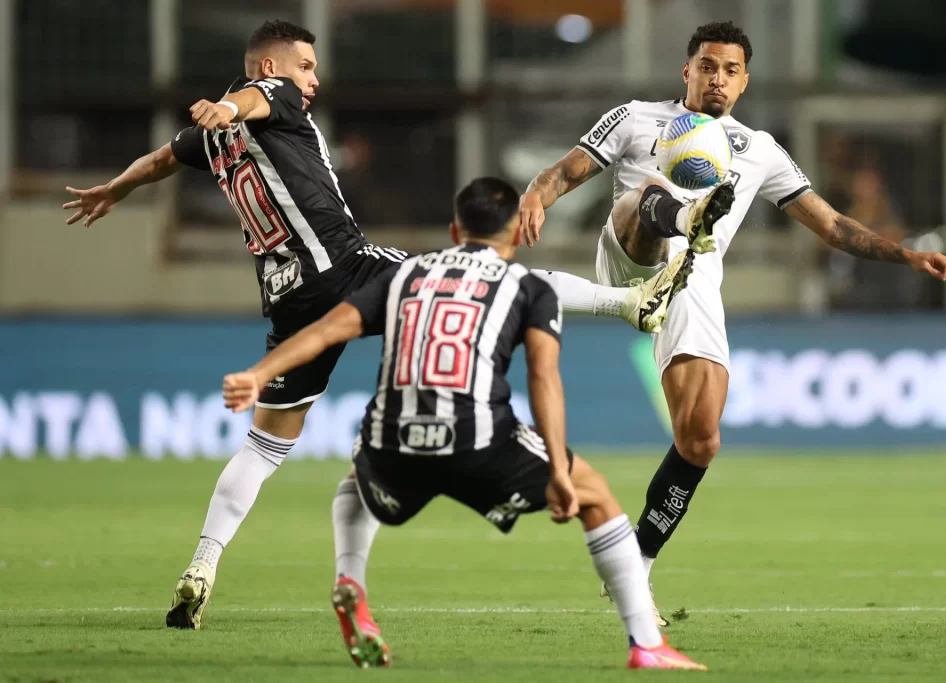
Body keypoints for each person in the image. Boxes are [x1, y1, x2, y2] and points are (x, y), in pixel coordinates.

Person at [60, 20, 697, 630]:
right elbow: (256, 99)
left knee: (265, 446)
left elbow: (161, 159)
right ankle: (632, 303)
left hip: (289, 297)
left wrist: (115, 189)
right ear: (270, 64)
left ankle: (202, 564)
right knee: (482, 274)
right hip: (347, 266)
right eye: (305, 66)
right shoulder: (271, 96)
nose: (312, 81)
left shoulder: (212, 138)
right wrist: (231, 107)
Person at [517, 20, 946, 626]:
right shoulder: (635, 118)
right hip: (633, 250)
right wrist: (534, 197)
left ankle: (636, 564)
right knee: (643, 195)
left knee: (700, 440)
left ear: (745, 81)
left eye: (730, 70)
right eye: (707, 66)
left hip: (692, 282)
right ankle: (686, 216)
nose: (717, 79)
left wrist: (906, 253)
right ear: (687, 71)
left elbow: (832, 225)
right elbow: (565, 172)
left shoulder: (757, 149)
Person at [221, 177, 707, 670]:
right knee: (596, 496)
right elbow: (544, 379)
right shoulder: (529, 287)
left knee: (356, 482)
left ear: (456, 230)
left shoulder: (403, 275)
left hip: (393, 440)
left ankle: (352, 581)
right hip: (478, 442)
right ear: (516, 233)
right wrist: (559, 468)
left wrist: (258, 374)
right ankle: (647, 645)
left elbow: (327, 328)